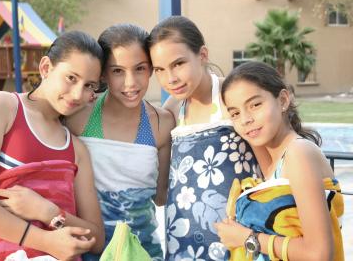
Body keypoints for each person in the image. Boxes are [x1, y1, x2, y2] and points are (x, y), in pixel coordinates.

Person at [0, 31, 105, 260]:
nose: (77, 94)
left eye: (89, 86)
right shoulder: (2, 107)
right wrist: (45, 241)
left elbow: (96, 238)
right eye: (71, 78)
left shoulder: (76, 150)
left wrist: (49, 212)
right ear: (46, 68)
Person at [148, 16, 258, 260]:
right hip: (184, 238)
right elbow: (165, 186)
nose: (170, 79)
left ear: (202, 55)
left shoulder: (232, 98)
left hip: (237, 237)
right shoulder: (173, 109)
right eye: (159, 70)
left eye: (178, 64)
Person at [66, 23, 174, 260]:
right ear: (102, 73)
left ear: (151, 69)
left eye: (140, 68)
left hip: (144, 251)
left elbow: (161, 195)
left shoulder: (161, 124)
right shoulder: (78, 116)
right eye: (117, 71)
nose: (130, 83)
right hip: (87, 250)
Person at [216, 61, 344, 261]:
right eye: (235, 113)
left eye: (255, 105)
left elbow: (319, 254)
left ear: (283, 100)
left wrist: (246, 238)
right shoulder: (272, 160)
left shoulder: (299, 153)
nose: (245, 119)